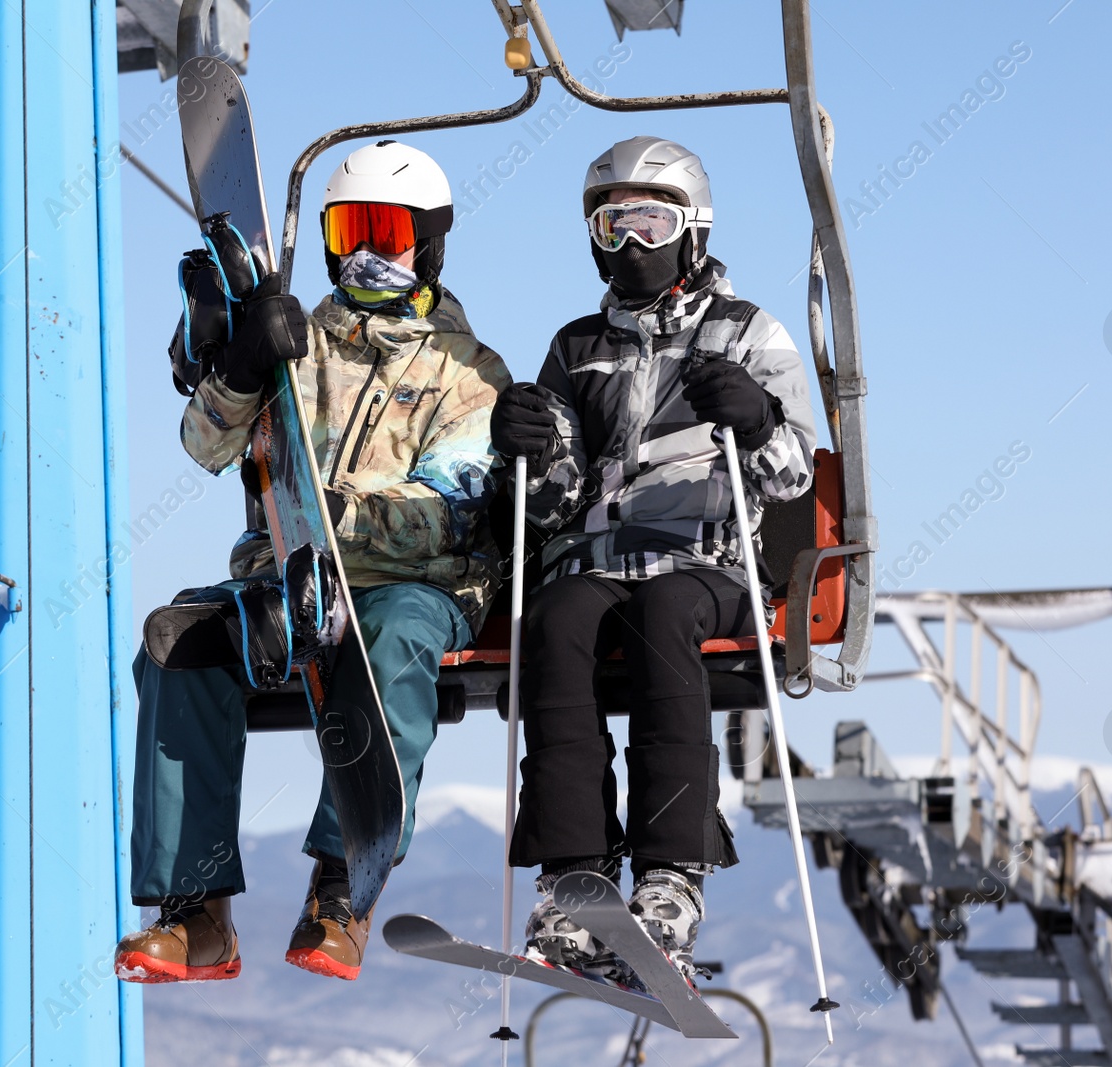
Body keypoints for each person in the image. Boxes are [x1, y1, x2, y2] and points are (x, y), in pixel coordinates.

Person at [116, 140, 512, 984]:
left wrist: (335, 518)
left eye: (389, 231)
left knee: (389, 632)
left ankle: (341, 887)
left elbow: (445, 514)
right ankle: (197, 912)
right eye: (350, 227)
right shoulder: (298, 343)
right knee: (175, 636)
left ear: (429, 244)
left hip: (417, 585)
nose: (366, 250)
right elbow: (203, 446)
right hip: (287, 578)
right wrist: (240, 366)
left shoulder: (470, 374)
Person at [490, 136, 816, 979]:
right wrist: (525, 454)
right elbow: (554, 496)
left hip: (711, 560)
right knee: (553, 619)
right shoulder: (574, 347)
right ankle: (575, 873)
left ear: (692, 228)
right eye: (610, 224)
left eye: (648, 220)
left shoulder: (748, 333)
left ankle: (672, 873)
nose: (628, 243)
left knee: (666, 614)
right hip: (596, 559)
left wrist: (757, 420)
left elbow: (792, 474)